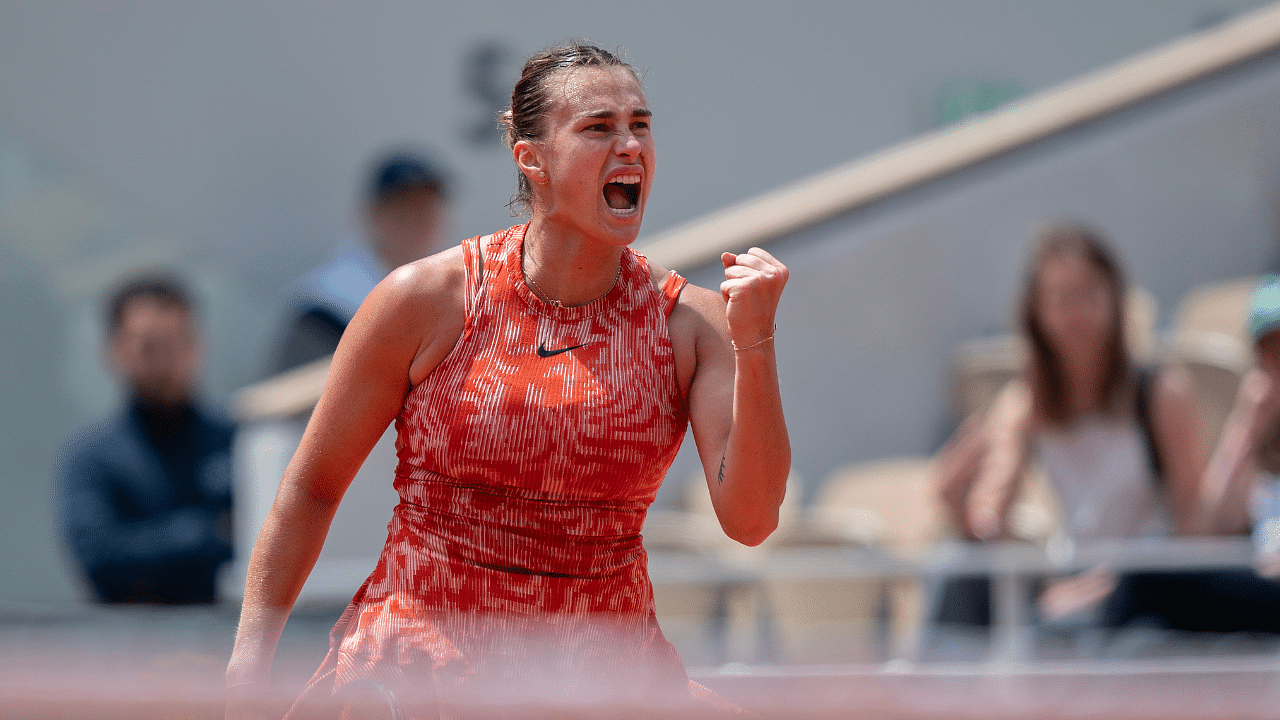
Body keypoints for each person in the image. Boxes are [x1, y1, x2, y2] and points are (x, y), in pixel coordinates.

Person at [226, 42, 789, 719]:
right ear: (533, 160)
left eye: (640, 124)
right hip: (414, 673)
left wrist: (756, 343)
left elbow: (751, 523)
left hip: (605, 683)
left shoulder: (694, 324)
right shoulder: (423, 299)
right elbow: (312, 489)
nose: (631, 145)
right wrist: (247, 674)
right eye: (598, 128)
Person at [934, 221, 1211, 630]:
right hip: (1070, 587)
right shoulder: (1025, 402)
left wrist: (1107, 585)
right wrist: (957, 501)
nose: (1076, 313)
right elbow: (989, 516)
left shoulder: (1160, 394)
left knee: (1066, 630)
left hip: (1150, 589)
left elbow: (1196, 524)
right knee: (952, 569)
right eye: (1062, 299)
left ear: (1115, 300)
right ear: (1037, 311)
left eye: (1089, 295)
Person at [56, 274, 234, 604]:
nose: (168, 360)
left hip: (233, 640)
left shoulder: (238, 442)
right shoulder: (92, 458)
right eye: (150, 347)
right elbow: (99, 557)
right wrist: (205, 534)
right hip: (132, 645)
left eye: (179, 343)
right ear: (114, 352)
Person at [271, 149, 451, 374]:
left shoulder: (455, 293)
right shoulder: (323, 306)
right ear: (371, 214)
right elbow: (290, 397)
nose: (415, 223)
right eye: (402, 211)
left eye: (425, 210)